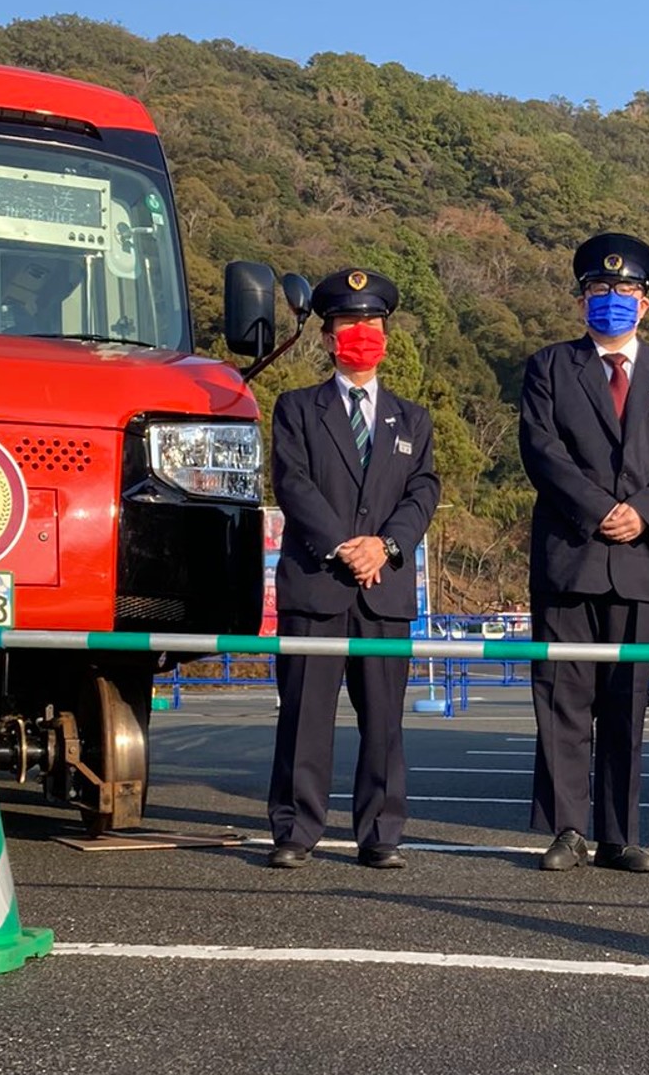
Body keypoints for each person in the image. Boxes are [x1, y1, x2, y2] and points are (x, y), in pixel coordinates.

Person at [517, 232, 649, 873]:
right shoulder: (550, 367)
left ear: (645, 303)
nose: (612, 299)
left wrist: (645, 513)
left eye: (625, 290)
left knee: (628, 702)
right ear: (581, 300)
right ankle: (566, 830)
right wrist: (599, 510)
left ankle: (619, 834)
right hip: (570, 554)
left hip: (643, 559)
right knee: (563, 698)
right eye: (599, 289)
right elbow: (542, 451)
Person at [265, 267, 441, 869]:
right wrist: (345, 545)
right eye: (347, 323)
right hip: (318, 584)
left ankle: (381, 833)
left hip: (384, 591)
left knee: (385, 722)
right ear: (326, 337)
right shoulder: (296, 409)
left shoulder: (412, 419)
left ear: (386, 335)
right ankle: (295, 830)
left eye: (370, 323)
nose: (360, 333)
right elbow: (294, 484)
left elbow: (422, 492)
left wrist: (385, 547)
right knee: (305, 717)